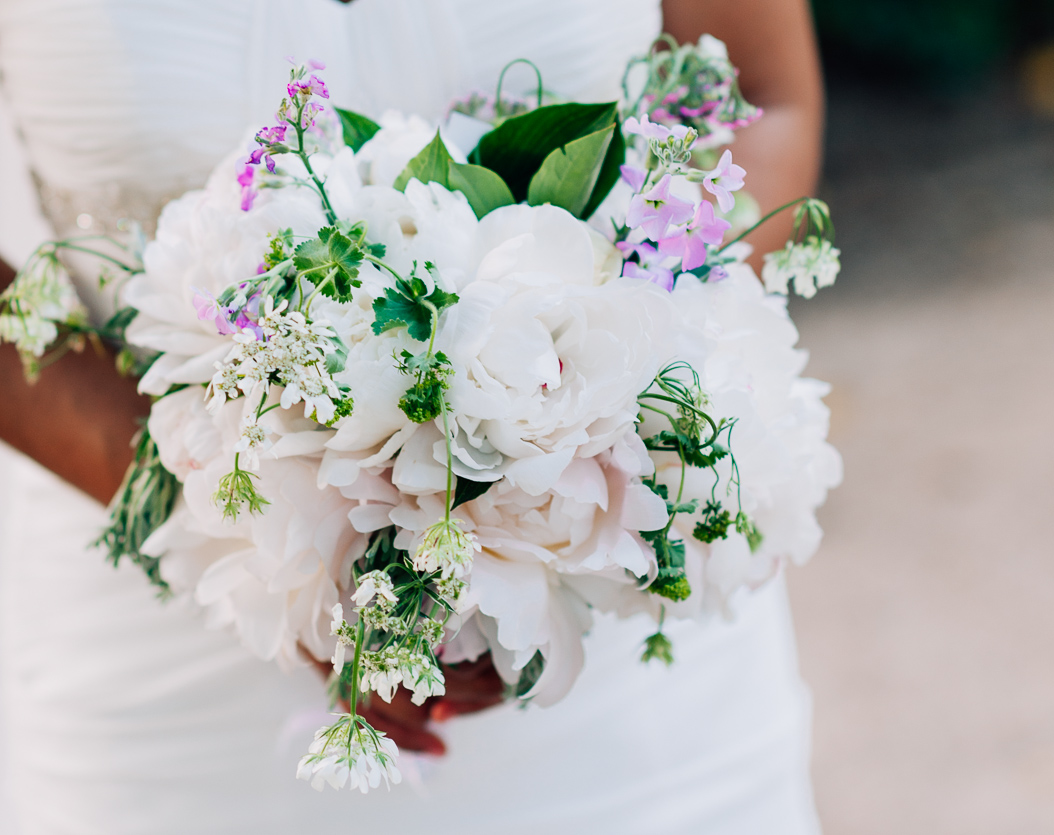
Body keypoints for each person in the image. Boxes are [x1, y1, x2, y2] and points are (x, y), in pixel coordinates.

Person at [0, 0, 825, 831]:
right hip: (168, 659)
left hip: (628, 654)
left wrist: (574, 458)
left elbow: (763, 97)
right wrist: (282, 544)